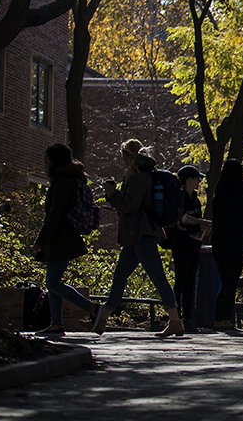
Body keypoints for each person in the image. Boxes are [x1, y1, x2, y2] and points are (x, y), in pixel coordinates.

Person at [93, 139, 184, 337]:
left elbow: (129, 205)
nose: (122, 161)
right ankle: (101, 320)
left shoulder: (137, 177)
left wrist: (112, 194)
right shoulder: (144, 174)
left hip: (142, 234)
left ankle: (176, 321)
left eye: (122, 156)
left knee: (157, 277)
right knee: (120, 276)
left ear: (128, 155)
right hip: (137, 235)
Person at [32, 143, 101, 335]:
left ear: (54, 161)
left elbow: (55, 214)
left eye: (46, 161)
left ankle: (92, 308)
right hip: (61, 237)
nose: (44, 165)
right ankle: (56, 324)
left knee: (53, 283)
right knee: (52, 282)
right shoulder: (69, 180)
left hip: (61, 237)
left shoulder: (62, 182)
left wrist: (40, 240)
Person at [209, 158, 243, 331]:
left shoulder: (217, 196)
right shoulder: (242, 197)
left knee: (225, 280)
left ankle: (217, 319)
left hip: (218, 241)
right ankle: (226, 321)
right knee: (231, 282)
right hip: (236, 242)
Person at [164, 165, 209, 333]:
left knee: (190, 282)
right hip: (181, 244)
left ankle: (188, 318)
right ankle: (176, 318)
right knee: (181, 282)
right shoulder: (179, 199)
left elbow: (197, 219)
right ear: (189, 180)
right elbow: (176, 223)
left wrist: (203, 227)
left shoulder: (195, 199)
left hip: (193, 245)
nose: (199, 182)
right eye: (197, 178)